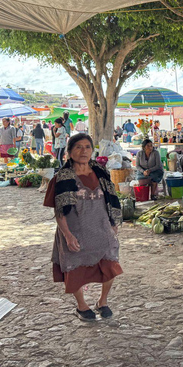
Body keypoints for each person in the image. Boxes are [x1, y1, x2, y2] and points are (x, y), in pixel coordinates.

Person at [43, 133, 123, 321]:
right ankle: (82, 306)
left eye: (87, 147)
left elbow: (111, 199)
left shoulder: (101, 172)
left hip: (102, 227)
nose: (83, 151)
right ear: (69, 152)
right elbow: (59, 211)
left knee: (110, 264)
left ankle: (102, 301)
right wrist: (68, 235)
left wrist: (113, 224)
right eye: (78, 147)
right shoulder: (61, 178)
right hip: (75, 231)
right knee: (75, 271)